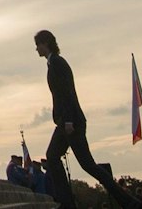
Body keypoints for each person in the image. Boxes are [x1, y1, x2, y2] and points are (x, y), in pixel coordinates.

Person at [35, 29, 114, 209]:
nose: (37, 49)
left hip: (70, 121)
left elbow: (66, 92)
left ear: (46, 43)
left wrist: (69, 120)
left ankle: (128, 201)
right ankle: (66, 201)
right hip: (65, 120)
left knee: (87, 164)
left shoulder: (57, 63)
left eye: (38, 44)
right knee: (53, 156)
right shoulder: (53, 63)